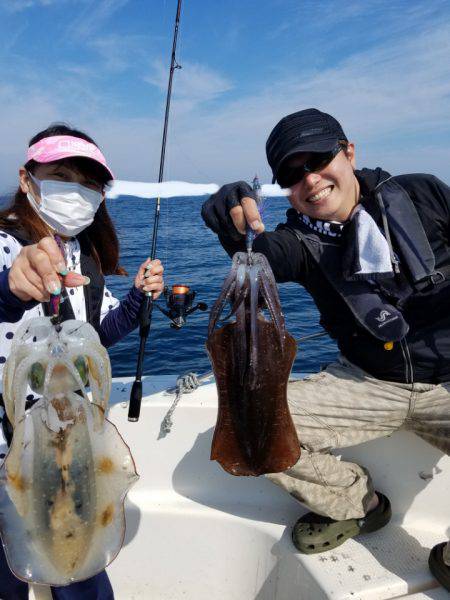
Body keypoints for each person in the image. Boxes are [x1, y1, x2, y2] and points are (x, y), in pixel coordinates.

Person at [201, 108, 450, 591]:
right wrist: (231, 224)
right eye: (293, 175)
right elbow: (263, 254)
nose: (310, 180)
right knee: (254, 426)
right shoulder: (300, 240)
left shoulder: (423, 194)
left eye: (318, 160)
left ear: (349, 152)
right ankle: (360, 505)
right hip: (365, 382)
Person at [0, 123, 165, 600]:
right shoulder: (7, 243)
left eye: (90, 183)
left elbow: (100, 333)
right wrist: (9, 291)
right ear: (27, 177)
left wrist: (137, 298)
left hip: (74, 441)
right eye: (62, 175)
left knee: (84, 571)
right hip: (9, 446)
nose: (77, 191)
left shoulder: (83, 256)